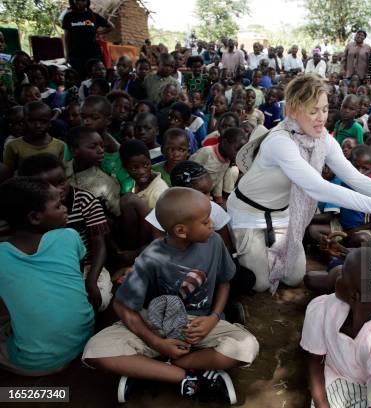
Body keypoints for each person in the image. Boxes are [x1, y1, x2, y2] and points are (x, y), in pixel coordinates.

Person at [226, 75, 371, 293]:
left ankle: (262, 251)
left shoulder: (322, 139)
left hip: (281, 215)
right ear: (293, 110)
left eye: (325, 109)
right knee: (259, 283)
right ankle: (231, 246)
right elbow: (317, 187)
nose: (321, 118)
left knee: (293, 277)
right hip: (249, 212)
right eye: (313, 111)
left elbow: (354, 177)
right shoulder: (280, 141)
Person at [82, 188, 259, 403]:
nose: (212, 224)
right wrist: (157, 343)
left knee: (247, 346)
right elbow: (122, 307)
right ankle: (186, 378)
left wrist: (213, 318)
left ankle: (159, 369)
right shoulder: (151, 257)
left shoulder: (214, 242)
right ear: (181, 231)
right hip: (156, 321)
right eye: (205, 221)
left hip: (199, 323)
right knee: (96, 350)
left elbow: (224, 281)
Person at [0, 177, 94, 376]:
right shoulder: (69, 236)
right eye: (58, 205)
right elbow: (76, 274)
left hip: (36, 363)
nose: (65, 209)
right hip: (86, 338)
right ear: (35, 217)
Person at [301, 247, 371, 408]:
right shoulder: (323, 308)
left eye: (342, 274)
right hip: (331, 382)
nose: (337, 275)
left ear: (354, 295)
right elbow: (315, 361)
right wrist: (321, 403)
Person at [19, 154, 113, 312]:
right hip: (49, 268)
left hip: (88, 267)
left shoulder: (85, 201)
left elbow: (100, 246)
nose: (59, 189)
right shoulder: (30, 211)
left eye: (62, 182)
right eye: (47, 185)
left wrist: (91, 281)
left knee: (95, 301)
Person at [3, 101, 65, 174]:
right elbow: (7, 173)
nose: (38, 125)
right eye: (31, 121)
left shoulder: (61, 146)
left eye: (43, 121)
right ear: (24, 122)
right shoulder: (13, 146)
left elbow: (65, 173)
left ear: (50, 123)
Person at [191, 127, 248, 206]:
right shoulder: (207, 153)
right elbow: (190, 171)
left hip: (207, 193)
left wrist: (218, 196)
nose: (238, 154)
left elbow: (219, 177)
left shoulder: (227, 160)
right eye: (237, 149)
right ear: (224, 142)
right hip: (194, 192)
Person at [62, 0, 114, 78]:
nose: (79, 3)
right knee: (79, 78)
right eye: (77, 1)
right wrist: (66, 55)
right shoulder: (68, 16)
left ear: (87, 2)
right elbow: (66, 37)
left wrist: (99, 32)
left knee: (95, 78)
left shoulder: (93, 16)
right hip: (76, 56)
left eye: (83, 1)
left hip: (93, 55)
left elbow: (111, 27)